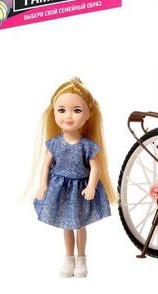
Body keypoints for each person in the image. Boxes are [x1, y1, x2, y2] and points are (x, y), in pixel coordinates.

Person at [33, 78, 117, 278]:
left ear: (88, 114)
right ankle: (69, 258)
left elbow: (95, 167)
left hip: (80, 190)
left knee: (80, 224)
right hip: (61, 189)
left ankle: (82, 259)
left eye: (76, 110)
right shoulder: (54, 143)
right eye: (61, 110)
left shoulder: (87, 145)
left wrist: (91, 185)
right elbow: (46, 165)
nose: (68, 116)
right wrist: (42, 185)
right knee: (67, 225)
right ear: (53, 112)